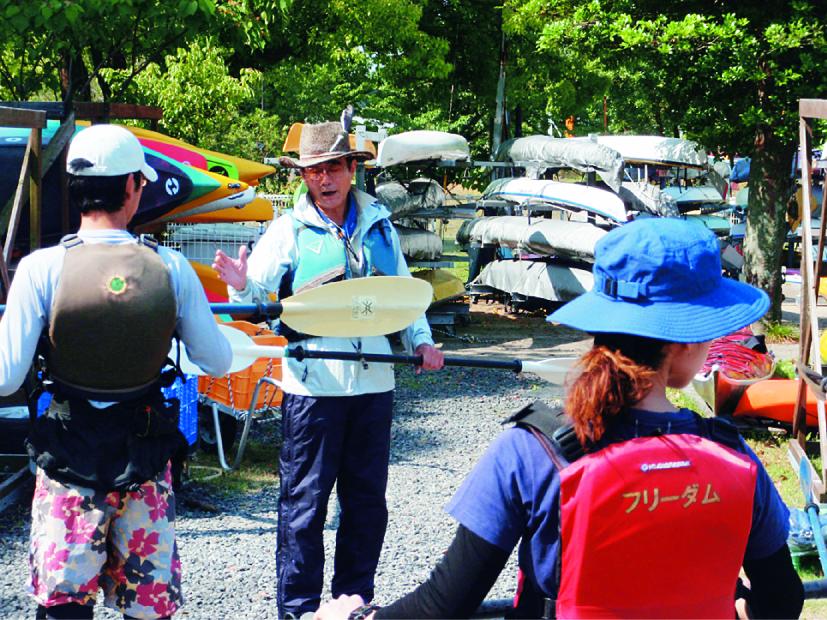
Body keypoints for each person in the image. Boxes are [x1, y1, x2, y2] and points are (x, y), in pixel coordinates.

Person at [315, 217, 804, 620]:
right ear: (681, 341)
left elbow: (446, 603)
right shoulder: (732, 456)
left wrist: (358, 618)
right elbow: (783, 599)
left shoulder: (532, 450)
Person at [212, 119, 445, 618]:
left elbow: (404, 295)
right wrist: (237, 284)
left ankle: (352, 602)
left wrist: (423, 342)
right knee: (304, 509)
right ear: (303, 177)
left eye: (334, 167)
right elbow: (257, 299)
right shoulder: (288, 230)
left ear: (351, 169)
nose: (325, 179)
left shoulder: (380, 224)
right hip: (313, 387)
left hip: (374, 383)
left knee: (365, 504)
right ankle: (297, 610)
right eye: (315, 171)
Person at [0, 124, 233, 619]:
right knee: (146, 610)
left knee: (64, 607)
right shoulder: (170, 268)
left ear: (75, 188)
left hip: (67, 458)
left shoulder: (40, 269)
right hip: (143, 458)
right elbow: (216, 360)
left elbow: (6, 376)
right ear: (132, 186)